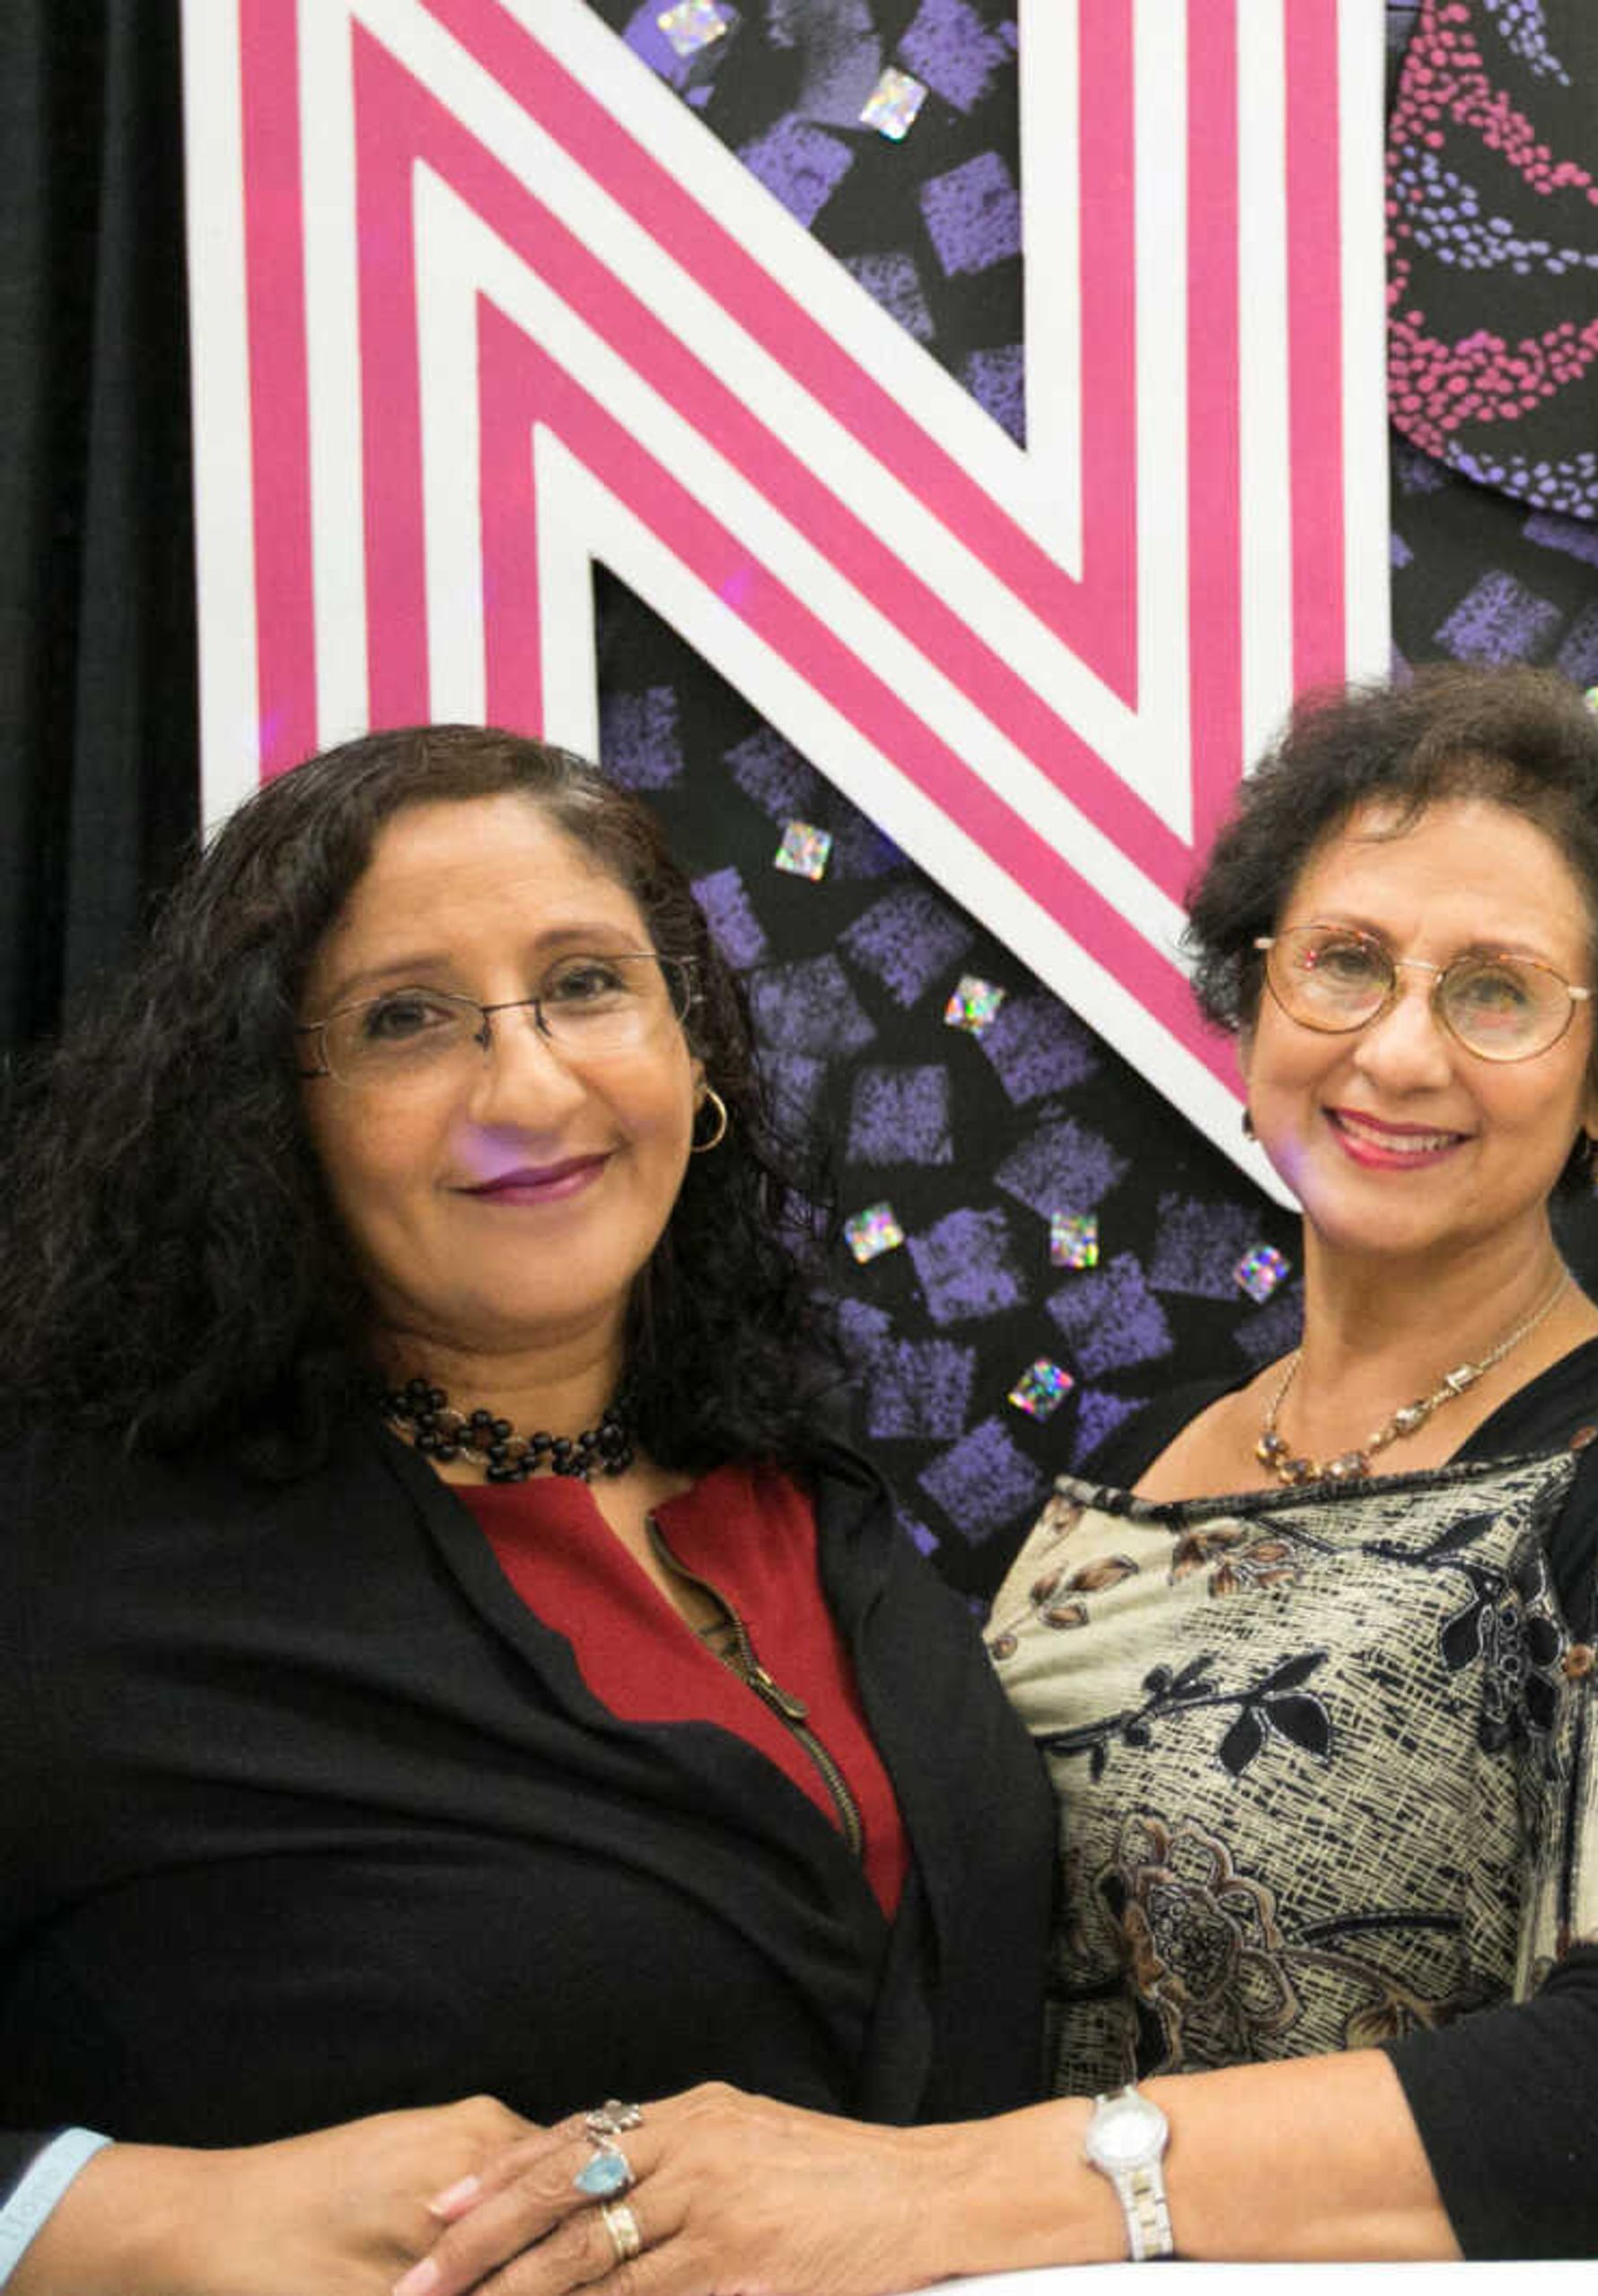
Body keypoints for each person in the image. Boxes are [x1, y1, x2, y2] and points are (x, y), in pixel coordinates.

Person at [404, 666, 1598, 2293]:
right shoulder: (1138, 1465)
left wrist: (933, 2195)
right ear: (1255, 1002)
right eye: (1344, 962)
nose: (1400, 1049)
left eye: (1500, 991)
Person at [0, 726, 1053, 2295]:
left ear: (690, 1049)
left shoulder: (801, 1486)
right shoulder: (72, 1554)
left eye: (585, 983)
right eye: (406, 1019)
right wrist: (113, 2213)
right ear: (266, 1111)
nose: (531, 1082)